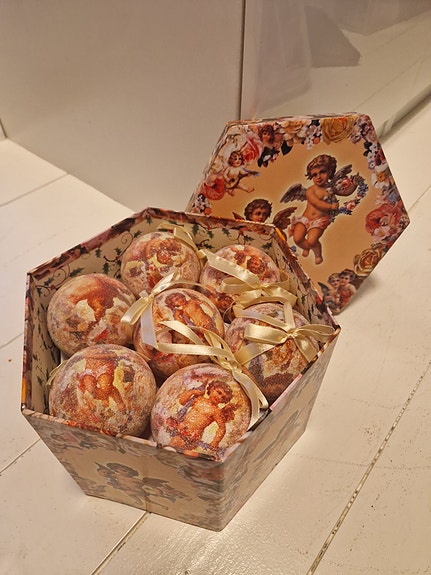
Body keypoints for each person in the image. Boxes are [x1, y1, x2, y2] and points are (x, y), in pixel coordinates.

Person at [287, 154, 358, 264]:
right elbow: (316, 203)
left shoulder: (331, 188)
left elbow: (344, 192)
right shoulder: (310, 190)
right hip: (305, 219)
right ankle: (306, 247)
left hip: (319, 221)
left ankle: (317, 254)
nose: (318, 177)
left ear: (329, 172)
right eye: (314, 175)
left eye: (322, 172)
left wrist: (354, 185)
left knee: (312, 240)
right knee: (297, 238)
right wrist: (330, 207)